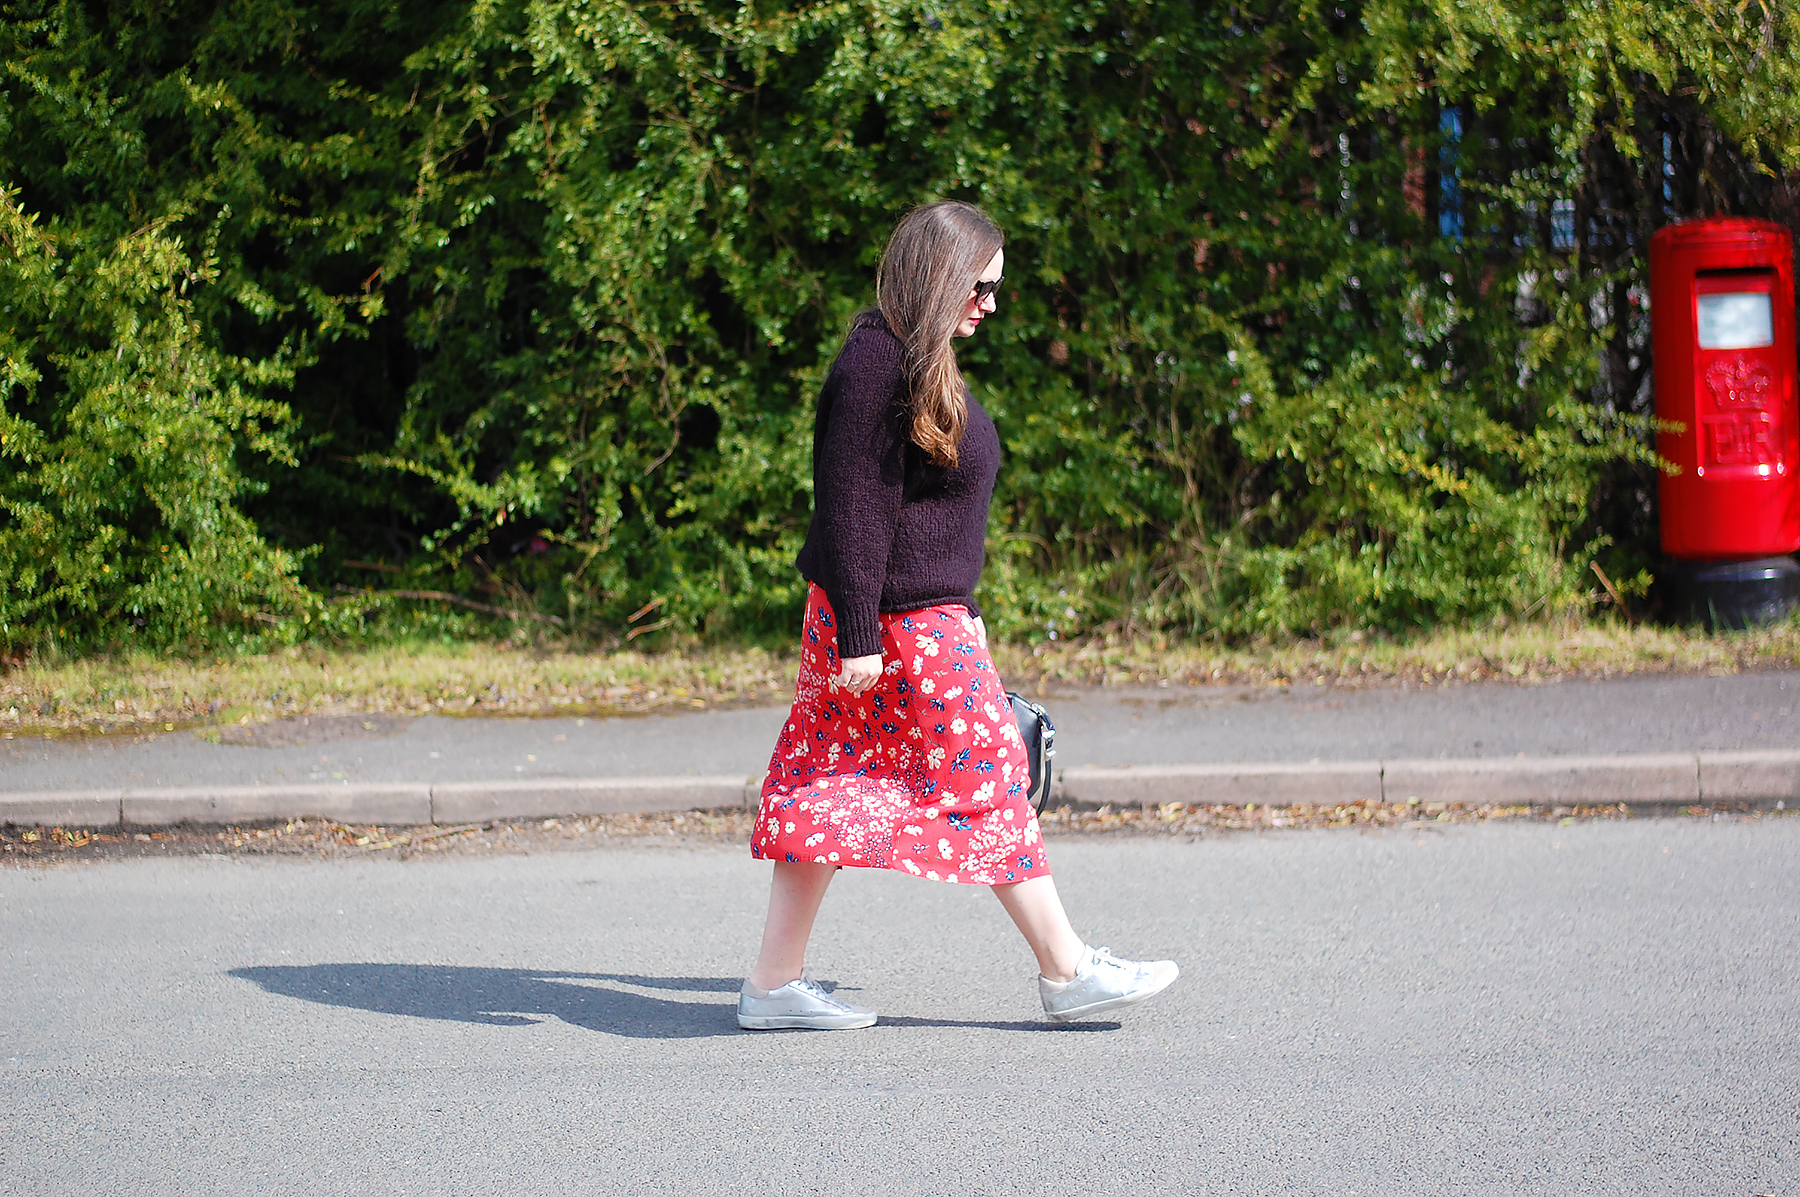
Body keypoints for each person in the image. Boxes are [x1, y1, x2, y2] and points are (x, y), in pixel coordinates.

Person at [738, 200, 1179, 1031]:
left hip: (918, 618)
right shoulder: (877, 362)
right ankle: (1066, 967)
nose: (991, 302)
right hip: (893, 627)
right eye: (981, 285)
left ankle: (772, 982)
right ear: (940, 276)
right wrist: (864, 636)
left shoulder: (913, 356)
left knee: (831, 786)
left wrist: (964, 608)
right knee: (988, 778)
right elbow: (852, 506)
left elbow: (925, 514)